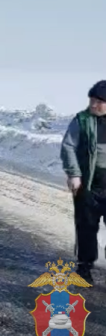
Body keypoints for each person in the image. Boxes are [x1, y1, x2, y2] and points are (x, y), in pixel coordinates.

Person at [60, 80, 106, 283]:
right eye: (92, 100)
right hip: (88, 184)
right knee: (86, 226)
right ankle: (84, 267)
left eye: (99, 101)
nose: (93, 105)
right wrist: (74, 174)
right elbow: (68, 146)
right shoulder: (82, 120)